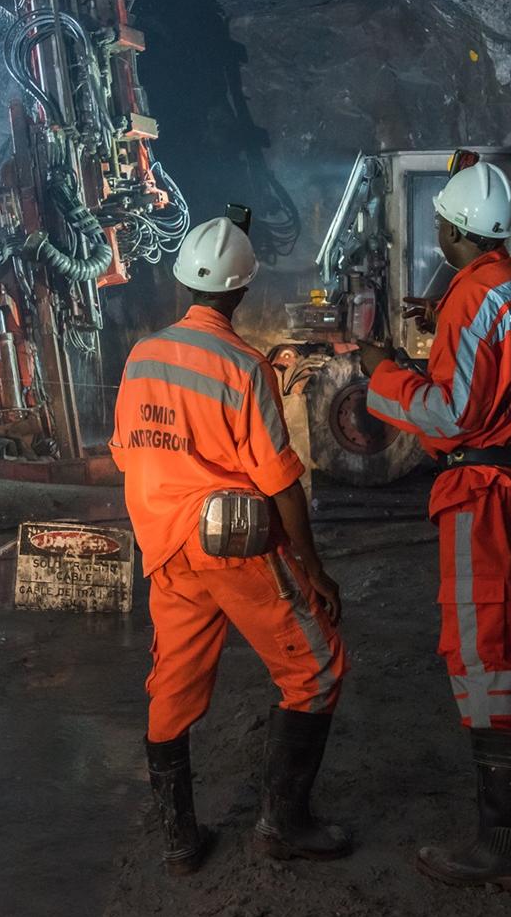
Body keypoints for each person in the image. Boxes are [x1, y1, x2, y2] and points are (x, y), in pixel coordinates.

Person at [356, 159, 511, 893]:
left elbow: (451, 414)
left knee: (483, 650)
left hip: (480, 492)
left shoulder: (471, 297)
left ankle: (504, 847)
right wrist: (440, 324)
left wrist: (381, 374)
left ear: (448, 229)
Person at [110, 215, 351, 875]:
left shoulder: (141, 358)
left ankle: (180, 841)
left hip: (163, 549)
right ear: (241, 292)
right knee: (316, 668)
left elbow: (127, 452)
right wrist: (314, 569)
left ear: (183, 280)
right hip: (231, 548)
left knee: (172, 686)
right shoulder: (243, 367)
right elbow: (280, 482)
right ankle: (284, 822)